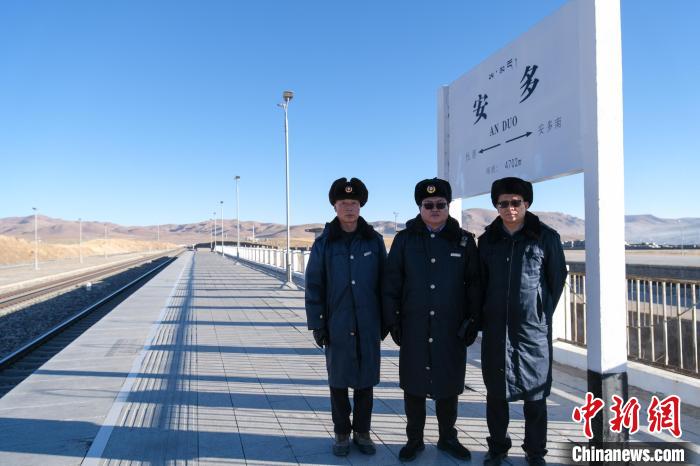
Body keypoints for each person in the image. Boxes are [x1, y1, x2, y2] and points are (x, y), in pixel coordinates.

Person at [383, 177, 482, 462]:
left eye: (440, 204)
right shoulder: (405, 240)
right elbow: (392, 282)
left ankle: (448, 437)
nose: (435, 209)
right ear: (420, 207)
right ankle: (414, 440)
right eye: (429, 205)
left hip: (451, 327)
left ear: (448, 206)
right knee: (413, 384)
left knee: (448, 384)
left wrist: (473, 320)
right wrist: (393, 321)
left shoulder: (464, 240)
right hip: (413, 325)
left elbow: (475, 284)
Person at [478, 177, 567, 466]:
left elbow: (556, 279)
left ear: (526, 203)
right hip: (496, 329)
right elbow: (480, 282)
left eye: (515, 202)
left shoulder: (546, 237)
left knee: (535, 395)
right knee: (496, 394)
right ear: (496, 206)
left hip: (532, 332)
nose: (510, 208)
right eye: (503, 203)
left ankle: (535, 451)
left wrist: (539, 311)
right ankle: (497, 447)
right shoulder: (487, 240)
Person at [305, 177, 387, 457]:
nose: (349, 208)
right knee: (338, 382)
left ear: (360, 206)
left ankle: (363, 432)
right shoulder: (324, 243)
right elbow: (314, 285)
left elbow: (385, 283)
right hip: (336, 323)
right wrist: (317, 323)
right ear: (335, 206)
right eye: (343, 203)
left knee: (366, 382)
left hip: (368, 322)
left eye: (353, 203)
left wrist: (385, 321)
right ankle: (341, 433)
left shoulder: (374, 241)